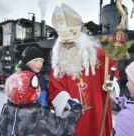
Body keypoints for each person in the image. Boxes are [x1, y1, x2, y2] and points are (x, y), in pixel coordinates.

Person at [49, 3, 120, 136]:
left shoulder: (99, 55)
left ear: (82, 40)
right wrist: (65, 100)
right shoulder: (59, 64)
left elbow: (112, 68)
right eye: (64, 43)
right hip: (74, 118)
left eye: (72, 43)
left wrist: (112, 82)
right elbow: (55, 89)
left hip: (97, 114)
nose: (68, 46)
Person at [0, 66, 83, 135]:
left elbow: (0, 131)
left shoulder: (7, 110)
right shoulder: (40, 115)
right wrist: (75, 110)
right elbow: (64, 130)